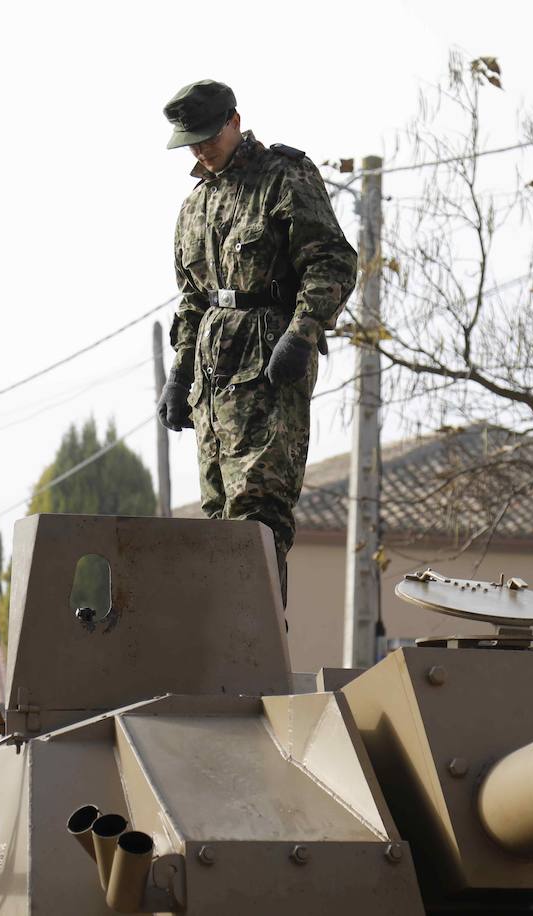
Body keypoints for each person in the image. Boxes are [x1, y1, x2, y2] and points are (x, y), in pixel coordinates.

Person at [156, 79, 357, 603]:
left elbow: (331, 261)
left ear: (234, 121)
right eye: (190, 141)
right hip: (212, 386)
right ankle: (224, 656)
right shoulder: (195, 207)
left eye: (207, 136)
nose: (200, 149)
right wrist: (178, 375)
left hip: (266, 373)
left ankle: (256, 648)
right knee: (219, 523)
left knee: (257, 523)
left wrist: (303, 332)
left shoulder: (283, 177)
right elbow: (192, 300)